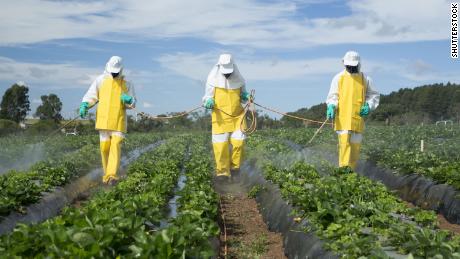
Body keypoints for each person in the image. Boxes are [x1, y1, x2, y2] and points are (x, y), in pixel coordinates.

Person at [79, 56, 136, 185]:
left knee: (115, 145)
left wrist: (129, 100)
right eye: (112, 71)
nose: (114, 73)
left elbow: (133, 103)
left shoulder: (127, 83)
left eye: (116, 71)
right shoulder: (100, 80)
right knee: (105, 148)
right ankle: (106, 175)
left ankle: (112, 176)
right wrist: (84, 105)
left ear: (121, 70)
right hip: (103, 121)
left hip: (118, 120)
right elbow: (91, 95)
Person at [326, 51, 380, 170]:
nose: (351, 68)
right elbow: (333, 96)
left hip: (357, 119)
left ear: (358, 64)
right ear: (344, 64)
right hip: (342, 119)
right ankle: (343, 172)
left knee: (355, 148)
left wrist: (369, 105)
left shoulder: (365, 79)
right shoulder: (338, 78)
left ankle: (351, 172)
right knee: (344, 145)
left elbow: (374, 95)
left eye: (353, 66)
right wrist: (331, 106)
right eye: (349, 66)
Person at [202, 54, 251, 179]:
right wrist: (208, 102)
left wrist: (245, 97)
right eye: (225, 73)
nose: (227, 75)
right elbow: (207, 97)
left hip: (237, 116)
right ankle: (223, 173)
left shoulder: (240, 80)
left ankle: (235, 168)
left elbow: (244, 96)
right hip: (220, 118)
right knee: (221, 146)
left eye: (229, 72)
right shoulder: (212, 80)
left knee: (238, 143)